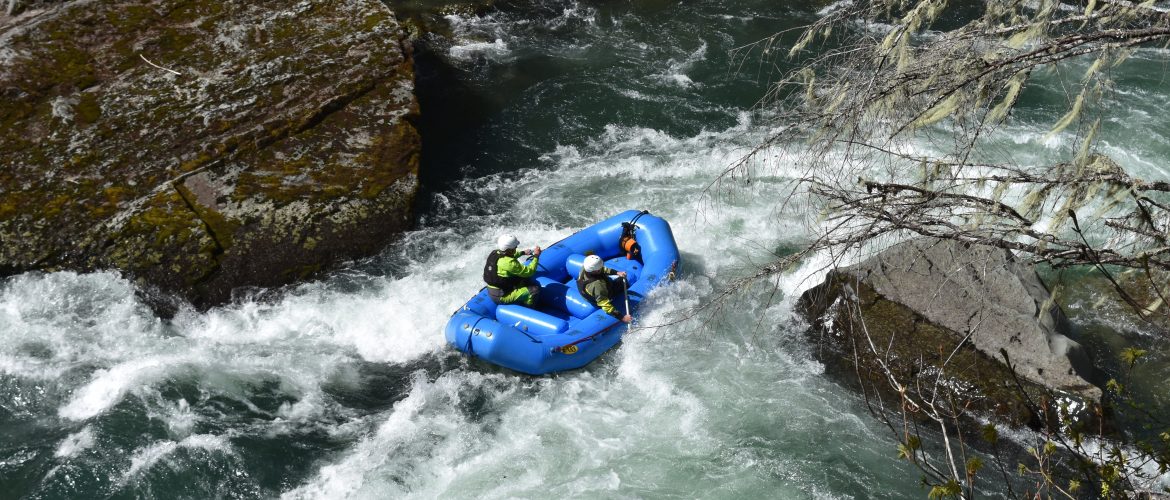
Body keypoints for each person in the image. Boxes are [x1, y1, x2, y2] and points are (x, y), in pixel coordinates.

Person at [483, 234, 541, 306]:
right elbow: (529, 272)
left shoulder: (495, 252)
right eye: (515, 247)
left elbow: (508, 255)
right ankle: (529, 308)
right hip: (502, 296)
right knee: (534, 290)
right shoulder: (510, 263)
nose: (516, 248)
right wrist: (536, 256)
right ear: (509, 250)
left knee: (523, 279)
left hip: (494, 290)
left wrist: (523, 252)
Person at [576, 254, 633, 324]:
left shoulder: (585, 268)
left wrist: (617, 272)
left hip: (588, 291)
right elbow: (605, 305)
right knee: (621, 281)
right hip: (598, 296)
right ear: (595, 271)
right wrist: (623, 318)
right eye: (599, 268)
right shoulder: (598, 285)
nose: (602, 268)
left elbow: (603, 270)